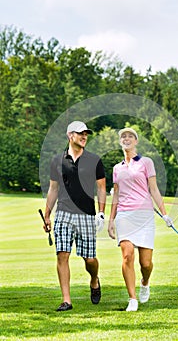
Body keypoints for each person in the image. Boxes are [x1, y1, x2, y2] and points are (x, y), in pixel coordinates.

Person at [108, 127, 173, 312]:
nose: (126, 138)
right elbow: (116, 196)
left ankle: (145, 282)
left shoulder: (146, 162)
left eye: (130, 136)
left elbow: (154, 189)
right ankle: (132, 299)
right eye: (123, 136)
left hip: (144, 215)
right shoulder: (117, 168)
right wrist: (111, 220)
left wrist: (165, 213)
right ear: (120, 142)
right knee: (127, 255)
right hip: (124, 215)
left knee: (146, 263)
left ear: (136, 141)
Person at [43, 121, 106, 311]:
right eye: (80, 133)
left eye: (86, 134)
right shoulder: (58, 160)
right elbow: (53, 189)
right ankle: (66, 300)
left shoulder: (94, 160)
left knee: (90, 259)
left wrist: (101, 212)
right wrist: (47, 215)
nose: (84, 136)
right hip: (63, 213)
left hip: (86, 214)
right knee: (62, 255)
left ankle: (94, 280)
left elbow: (101, 187)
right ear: (70, 136)